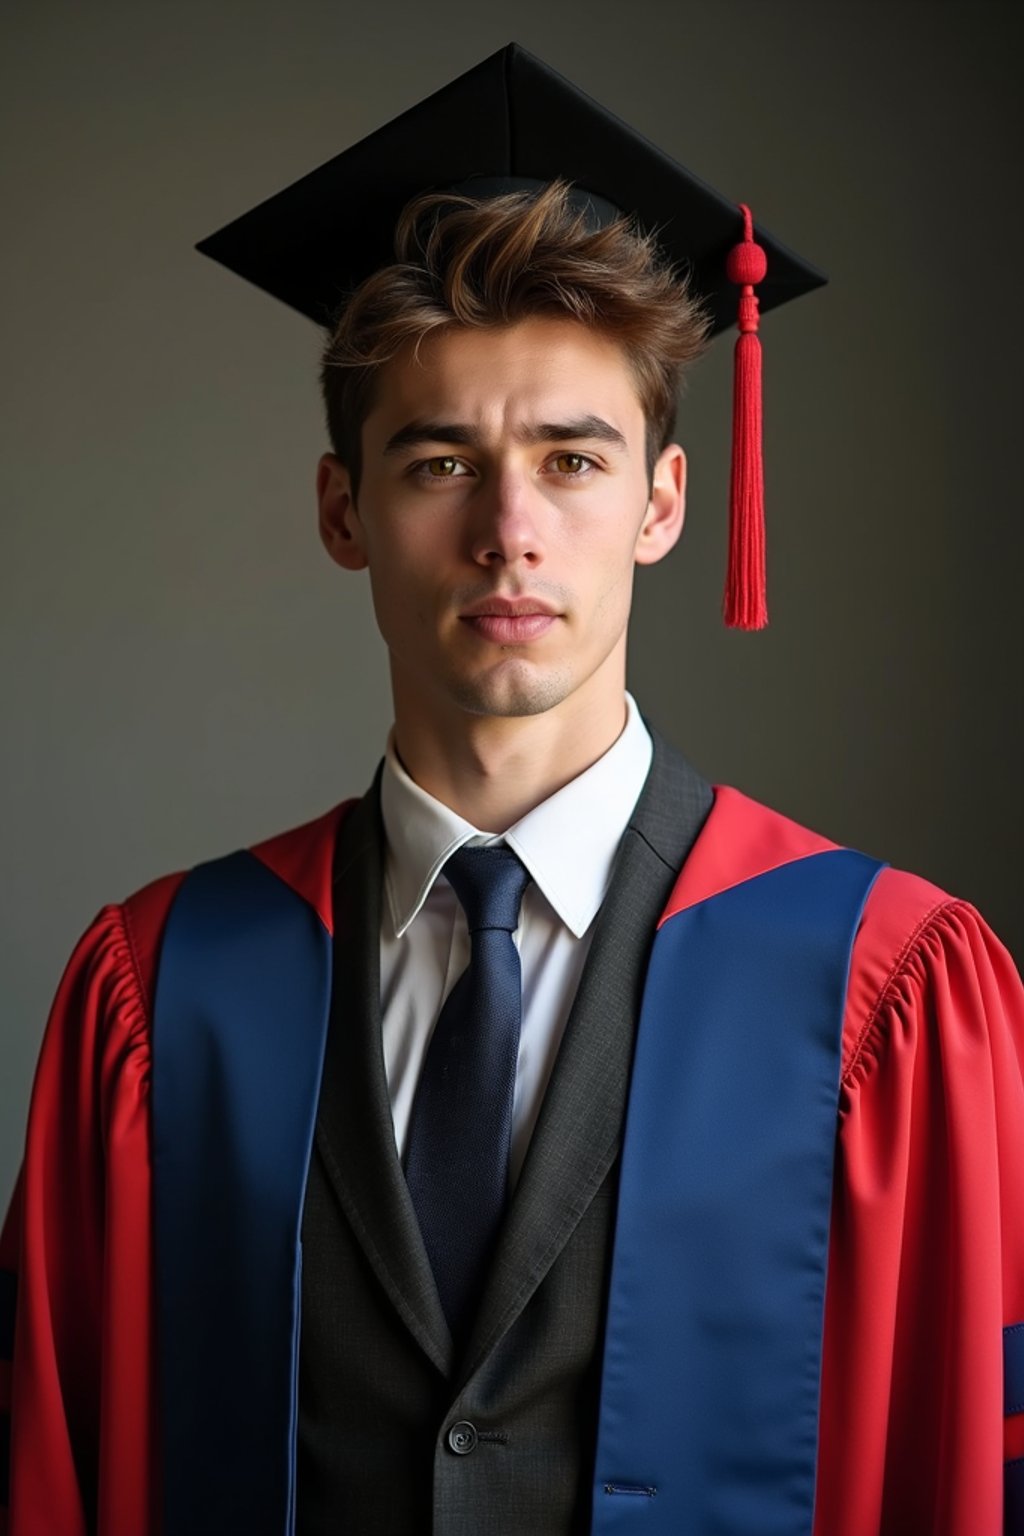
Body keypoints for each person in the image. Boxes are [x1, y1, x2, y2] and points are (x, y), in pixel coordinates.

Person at [2, 42, 1022, 1536]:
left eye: (572, 459)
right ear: (342, 509)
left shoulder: (888, 989)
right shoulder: (165, 996)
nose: (509, 532)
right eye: (437, 463)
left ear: (665, 504)